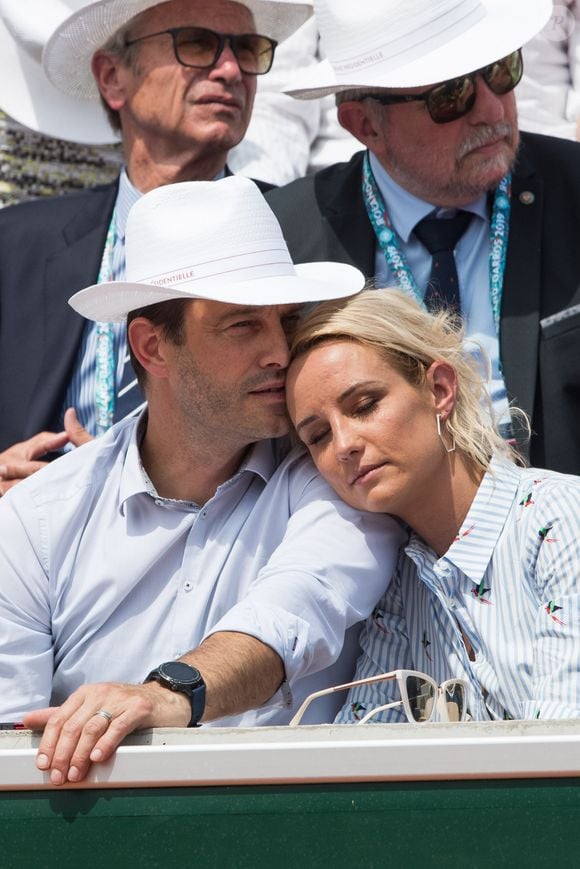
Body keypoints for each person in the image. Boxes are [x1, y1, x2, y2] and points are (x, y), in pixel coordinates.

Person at [0, 176, 400, 784]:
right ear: (152, 348)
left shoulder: (340, 466)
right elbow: (11, 750)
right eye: (242, 326)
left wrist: (168, 694)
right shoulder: (35, 518)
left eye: (286, 321)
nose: (279, 352)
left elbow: (297, 609)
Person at [0, 0, 312, 492]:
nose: (231, 69)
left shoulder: (308, 235)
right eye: (197, 44)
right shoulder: (15, 246)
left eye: (248, 49)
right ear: (112, 77)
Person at [266, 0, 580, 476]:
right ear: (365, 125)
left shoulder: (574, 189)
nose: (493, 109)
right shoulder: (287, 241)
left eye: (501, 70)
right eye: (451, 95)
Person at [286, 288, 580, 722]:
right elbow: (363, 758)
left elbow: (560, 756)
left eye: (364, 406)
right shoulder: (400, 579)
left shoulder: (562, 518)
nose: (344, 445)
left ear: (439, 389)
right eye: (319, 436)